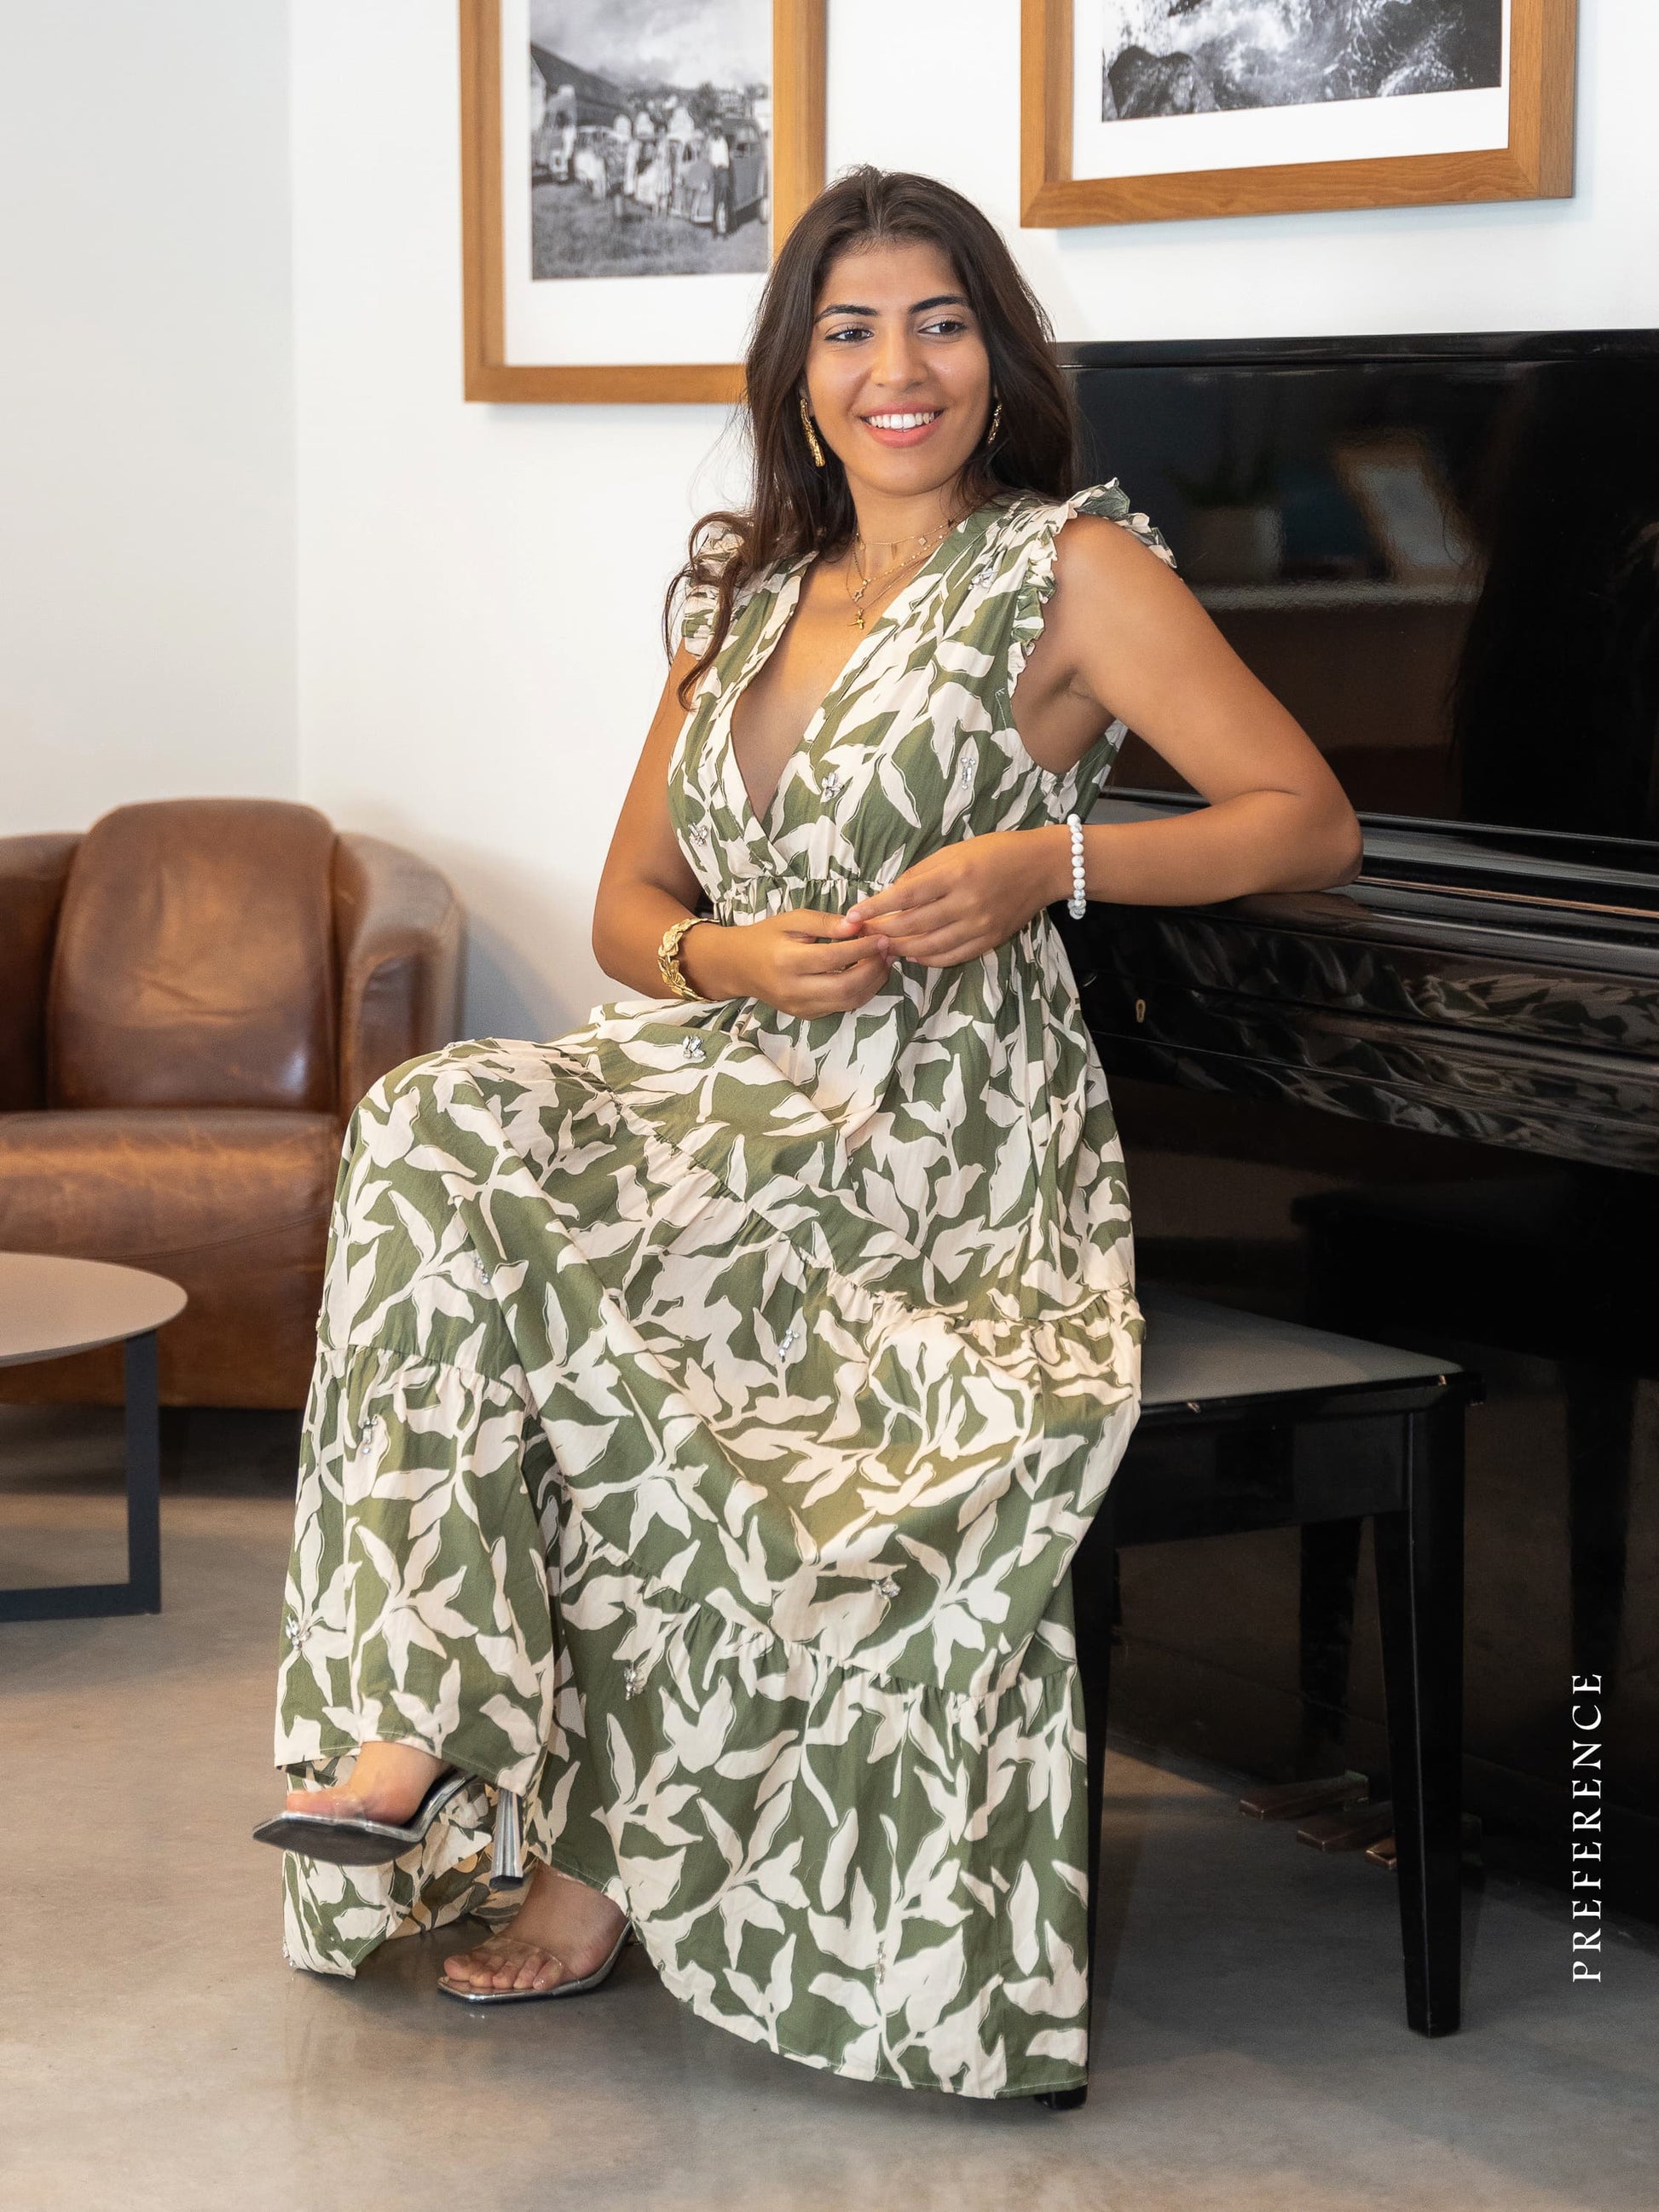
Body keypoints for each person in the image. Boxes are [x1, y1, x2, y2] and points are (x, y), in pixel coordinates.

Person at [258, 166, 1360, 2099]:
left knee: (547, 1260)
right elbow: (629, 909)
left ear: (996, 357)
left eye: (938, 322)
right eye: (850, 330)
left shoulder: (1070, 569)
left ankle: (539, 1817)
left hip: (936, 1136)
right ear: (797, 372)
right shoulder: (744, 595)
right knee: (433, 1123)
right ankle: (419, 1723)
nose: (896, 368)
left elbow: (1303, 817)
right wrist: (729, 955)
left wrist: (1049, 860)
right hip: (726, 1084)